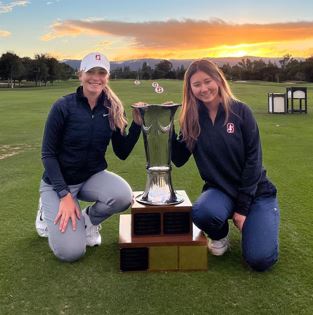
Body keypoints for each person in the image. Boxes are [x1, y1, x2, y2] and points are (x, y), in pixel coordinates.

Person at [171, 59, 280, 272]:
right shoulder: (191, 119)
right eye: (197, 84)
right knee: (202, 212)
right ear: (190, 89)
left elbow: (253, 161)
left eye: (207, 81)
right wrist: (166, 129)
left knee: (260, 260)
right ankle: (219, 235)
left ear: (219, 80)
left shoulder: (241, 111)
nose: (204, 89)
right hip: (220, 191)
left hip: (256, 192)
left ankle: (261, 220)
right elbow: (179, 159)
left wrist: (242, 208)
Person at [36, 52, 142, 262]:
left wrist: (137, 124)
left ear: (107, 77)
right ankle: (45, 210)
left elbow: (122, 153)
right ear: (80, 75)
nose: (96, 77)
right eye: (91, 71)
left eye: (101, 72)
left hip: (90, 178)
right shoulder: (63, 107)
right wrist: (64, 195)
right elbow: (48, 154)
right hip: (58, 184)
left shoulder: (111, 109)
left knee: (122, 196)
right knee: (71, 253)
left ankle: (88, 220)